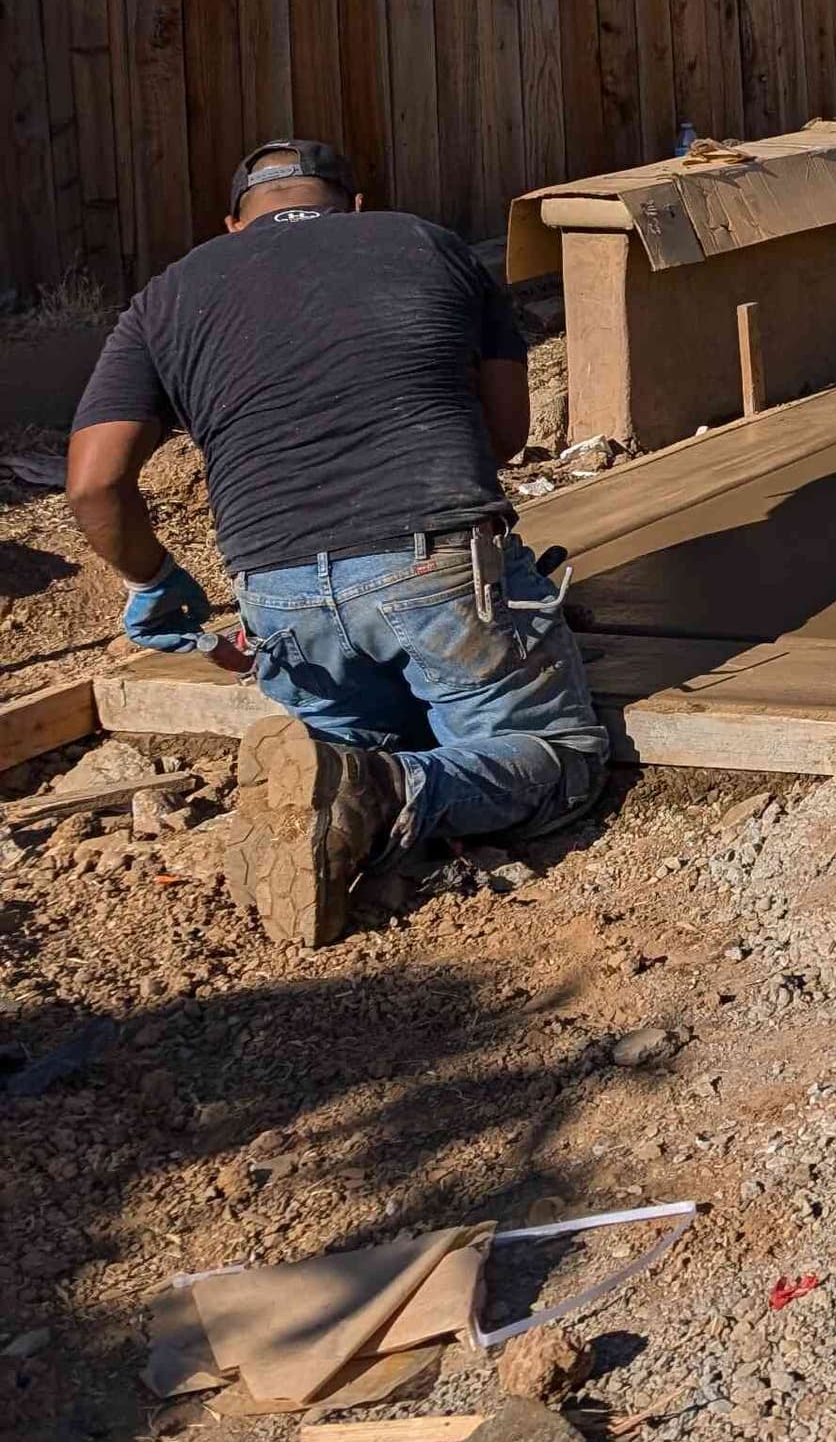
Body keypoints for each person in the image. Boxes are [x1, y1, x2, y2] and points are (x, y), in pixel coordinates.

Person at [64, 139, 606, 949]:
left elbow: (93, 485)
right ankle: (384, 791)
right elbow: (503, 435)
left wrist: (155, 579)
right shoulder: (426, 242)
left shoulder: (166, 295)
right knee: (557, 754)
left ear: (233, 224)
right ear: (355, 206)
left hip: (279, 598)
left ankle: (340, 784)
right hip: (434, 565)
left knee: (350, 740)